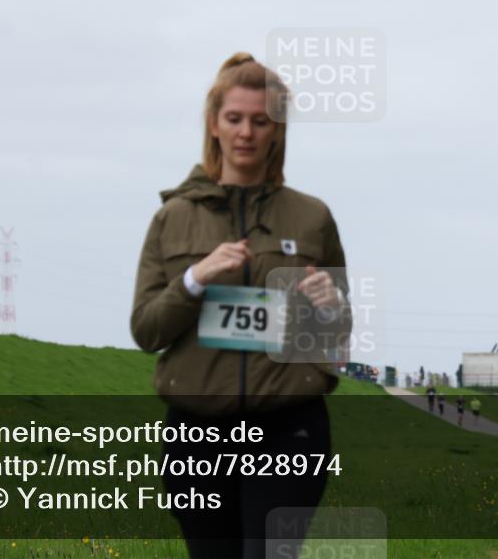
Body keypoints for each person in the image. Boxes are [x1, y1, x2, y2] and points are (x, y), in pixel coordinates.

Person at [130, 52, 352, 558]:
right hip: (197, 432)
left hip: (289, 428)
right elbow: (146, 331)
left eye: (260, 120)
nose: (246, 133)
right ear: (214, 124)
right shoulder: (172, 218)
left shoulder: (312, 217)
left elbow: (338, 335)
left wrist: (328, 307)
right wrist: (194, 279)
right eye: (234, 119)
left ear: (278, 129)